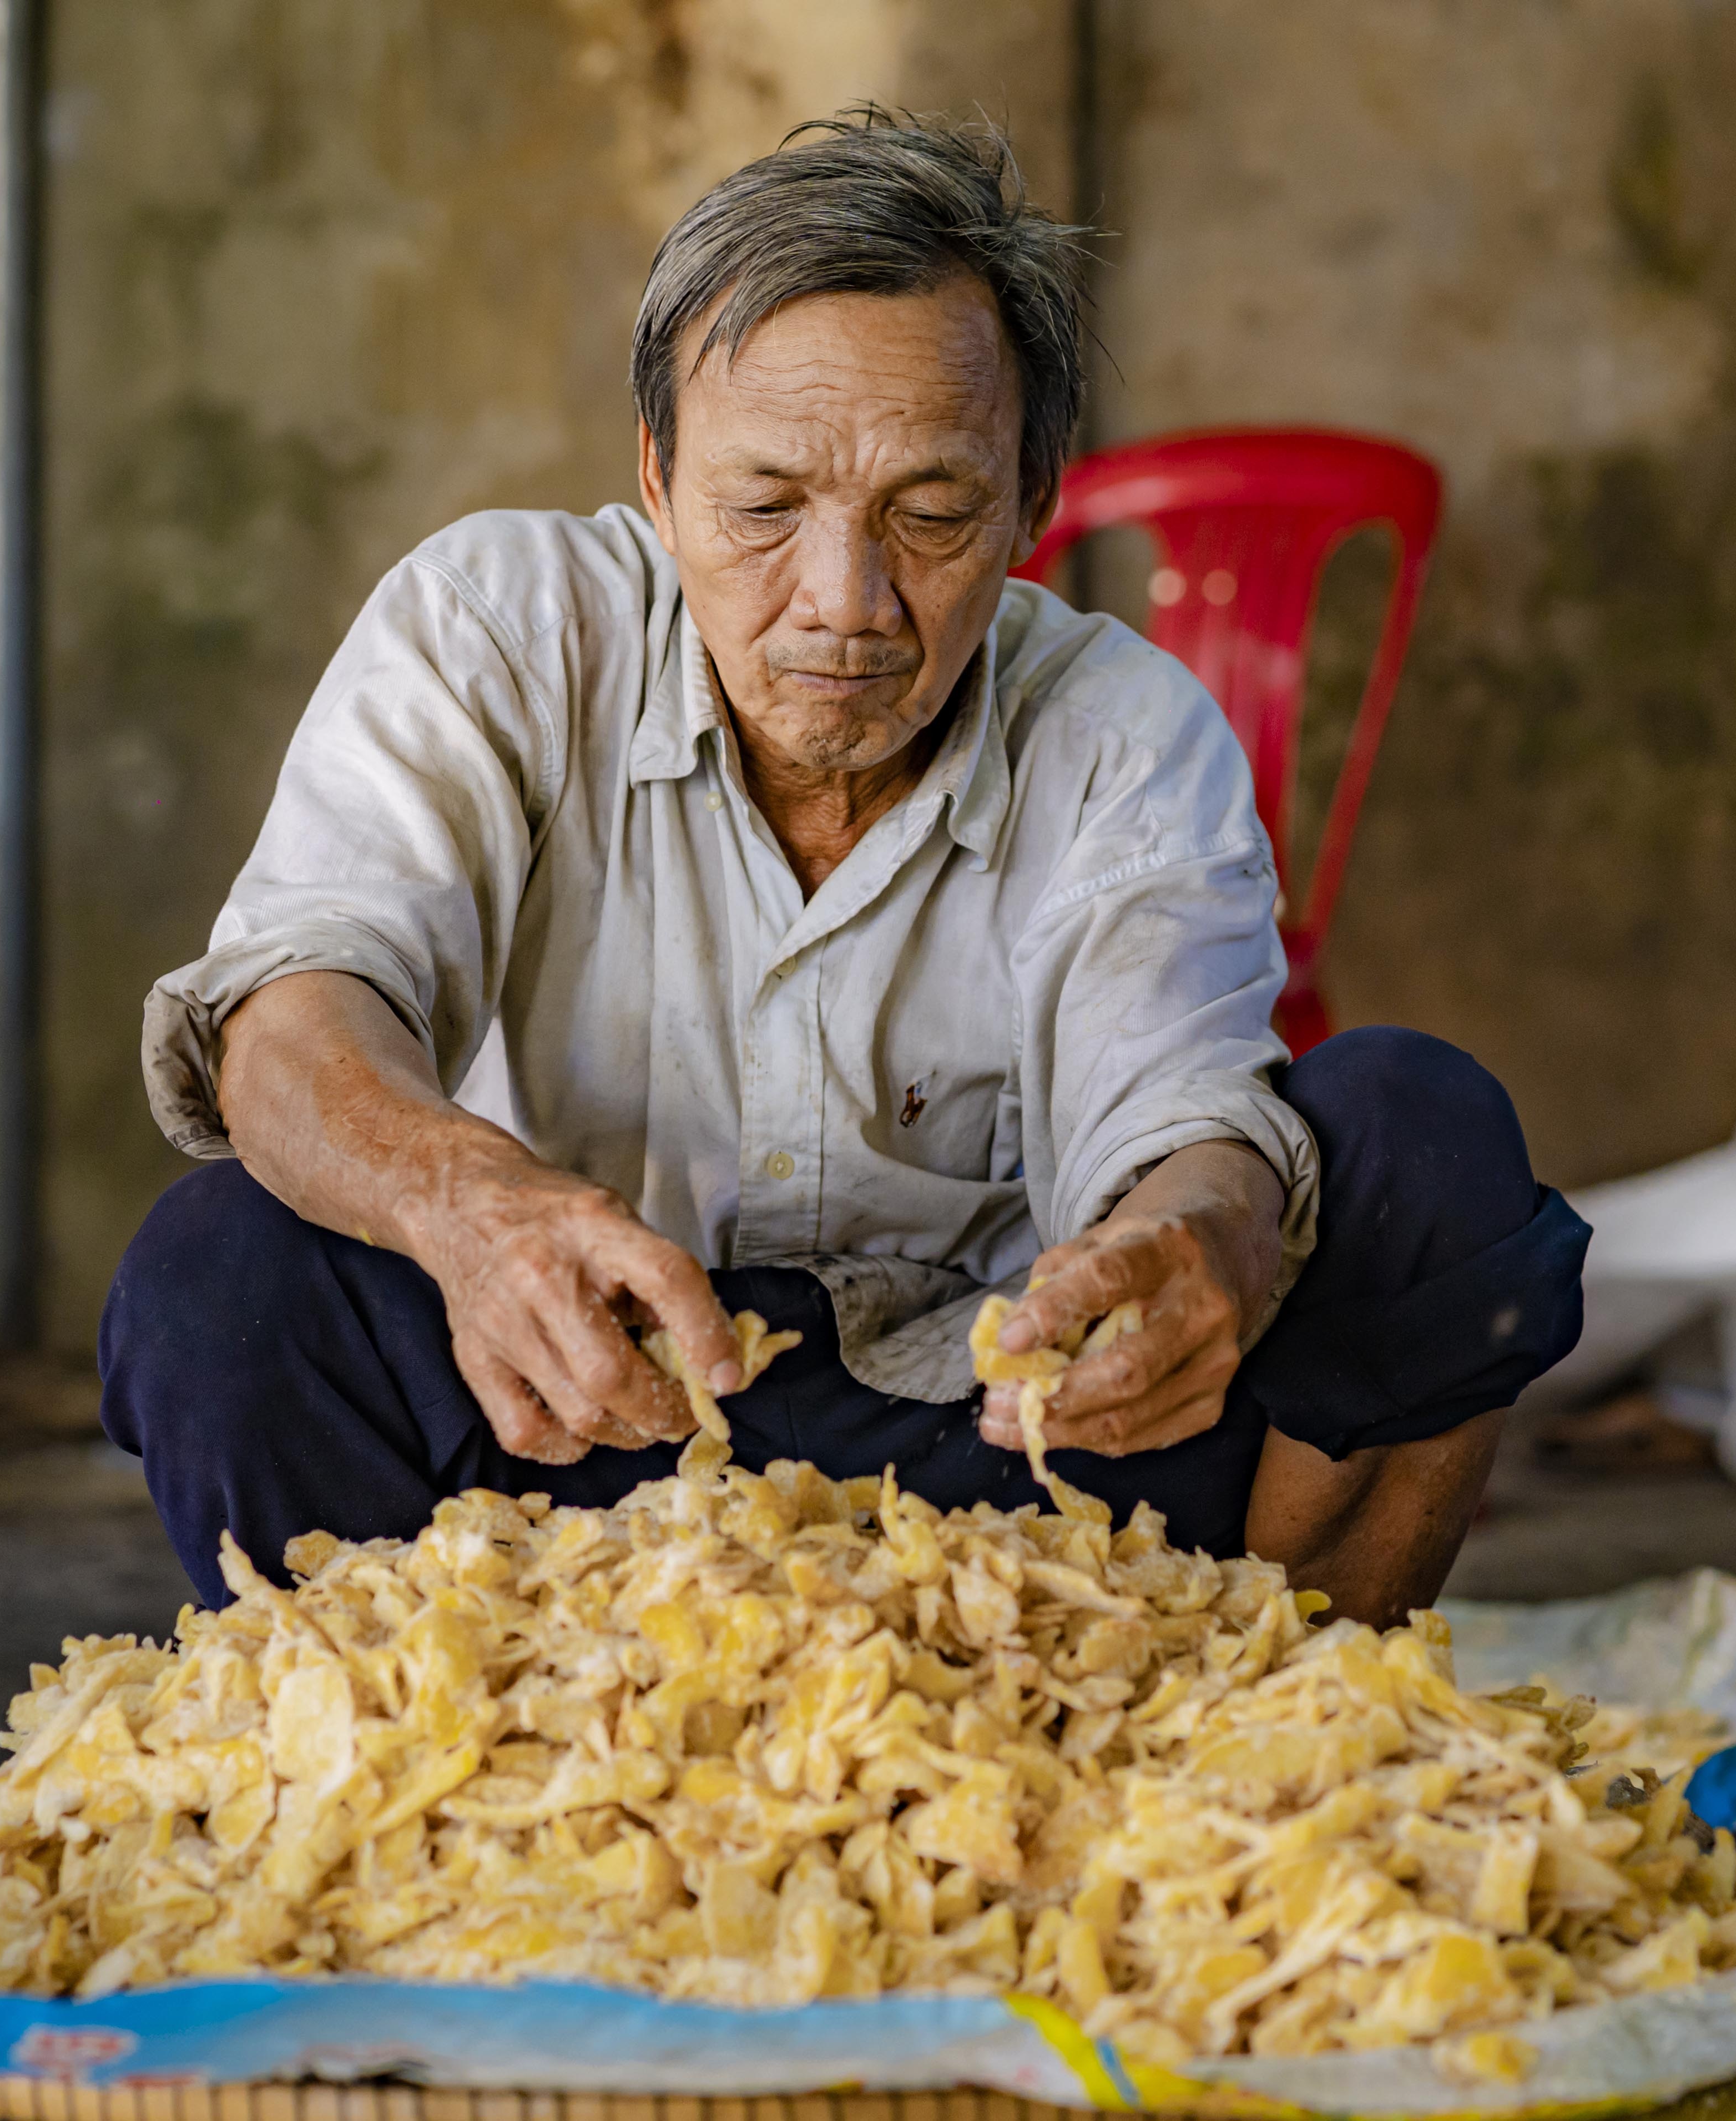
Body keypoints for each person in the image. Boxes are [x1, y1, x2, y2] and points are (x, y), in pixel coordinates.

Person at [100, 109, 1587, 1628]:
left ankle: (1268, 1758)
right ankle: (382, 1768)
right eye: (760, 511)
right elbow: (291, 1017)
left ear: (1029, 504)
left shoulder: (1120, 727)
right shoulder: (497, 625)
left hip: (1009, 1476)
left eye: (931, 514)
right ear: (658, 480)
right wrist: (473, 1212)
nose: (843, 605)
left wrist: (1204, 1242)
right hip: (570, 1420)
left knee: (1416, 1136)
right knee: (221, 1272)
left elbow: (1176, 1112)